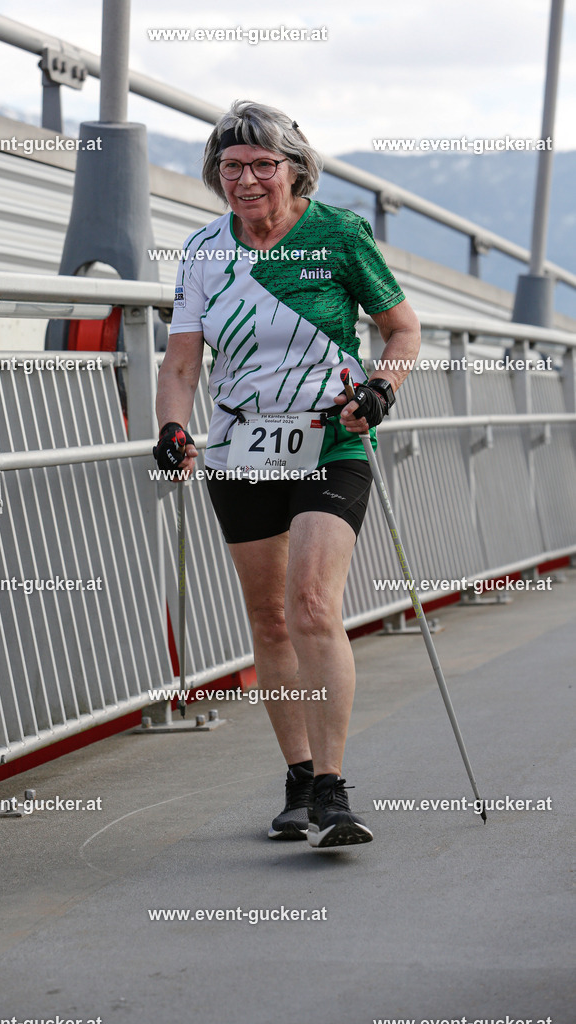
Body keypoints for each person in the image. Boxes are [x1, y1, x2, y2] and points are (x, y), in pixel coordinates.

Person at [153, 99, 420, 848]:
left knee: (310, 604)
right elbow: (180, 363)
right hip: (242, 449)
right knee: (269, 620)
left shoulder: (336, 234)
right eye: (230, 167)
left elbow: (400, 329)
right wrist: (172, 428)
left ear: (293, 169)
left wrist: (380, 389)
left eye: (261, 165)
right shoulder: (205, 250)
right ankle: (298, 779)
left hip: (330, 439)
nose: (245, 180)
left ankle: (333, 789)